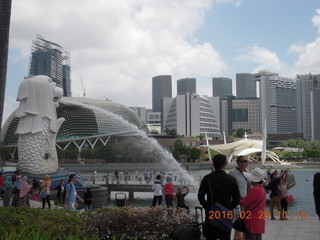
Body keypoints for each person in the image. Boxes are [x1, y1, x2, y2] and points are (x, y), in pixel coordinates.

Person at [198, 154, 240, 240]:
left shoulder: (207, 178)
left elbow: (200, 196)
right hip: (226, 214)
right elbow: (236, 199)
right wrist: (229, 208)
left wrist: (208, 207)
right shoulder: (231, 179)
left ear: (213, 164)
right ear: (225, 164)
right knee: (225, 237)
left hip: (211, 214)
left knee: (211, 237)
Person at [240, 168, 267, 240]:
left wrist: (238, 196)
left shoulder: (254, 190)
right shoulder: (262, 189)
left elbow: (243, 203)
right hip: (260, 220)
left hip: (252, 220)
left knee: (250, 237)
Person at [229, 155, 249, 240]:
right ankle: (237, 238)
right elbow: (231, 187)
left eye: (246, 161)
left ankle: (240, 237)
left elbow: (249, 185)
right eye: (244, 161)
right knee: (237, 220)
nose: (246, 162)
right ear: (239, 163)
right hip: (236, 200)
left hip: (245, 200)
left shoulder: (248, 171)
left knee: (244, 220)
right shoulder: (232, 172)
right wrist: (239, 196)